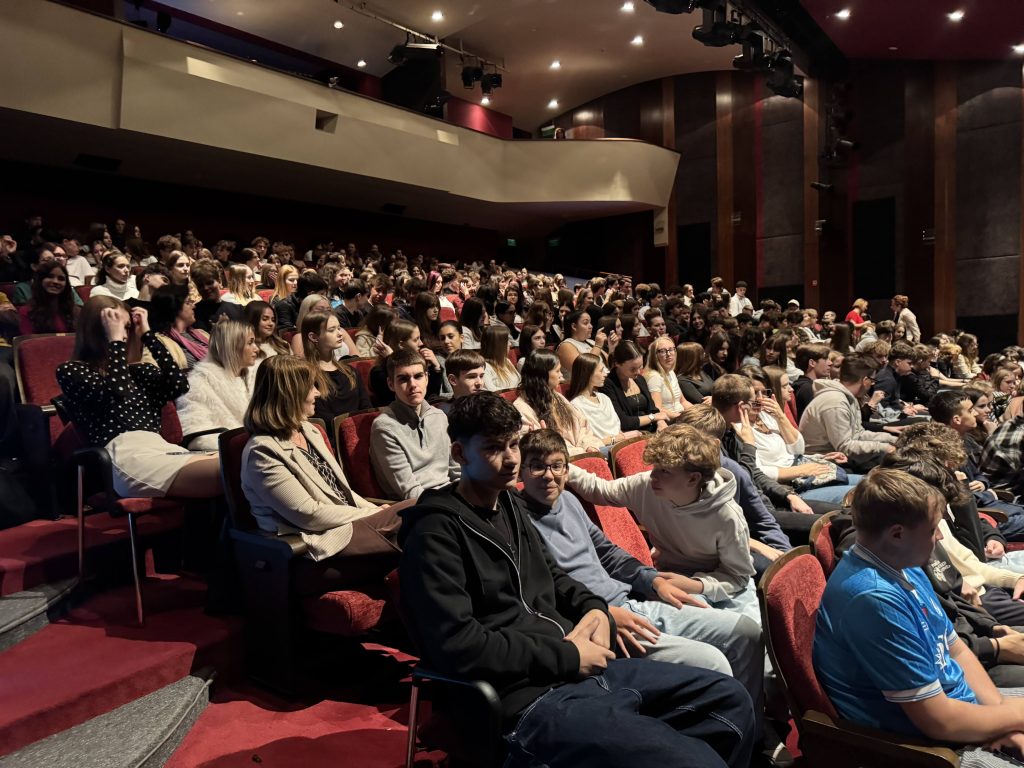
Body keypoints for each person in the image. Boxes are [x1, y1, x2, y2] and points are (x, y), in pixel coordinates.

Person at [397, 392, 756, 768]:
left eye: (513, 444)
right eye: (492, 448)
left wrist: (595, 608)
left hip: (580, 670)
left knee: (730, 699)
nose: (511, 459)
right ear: (459, 453)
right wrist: (566, 656)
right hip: (526, 700)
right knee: (694, 761)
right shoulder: (435, 533)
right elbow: (458, 645)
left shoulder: (508, 504)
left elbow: (554, 576)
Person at [519, 429, 766, 698]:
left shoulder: (567, 500)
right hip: (599, 620)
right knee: (713, 661)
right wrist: (603, 612)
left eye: (557, 466)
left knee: (747, 633)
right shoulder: (517, 520)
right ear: (520, 471)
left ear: (567, 470)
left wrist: (654, 580)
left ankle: (751, 721)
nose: (548, 475)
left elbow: (608, 553)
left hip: (634, 603)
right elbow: (542, 591)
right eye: (536, 466)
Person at [813, 468, 1024, 764]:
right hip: (930, 748)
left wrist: (1003, 717)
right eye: (932, 529)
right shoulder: (873, 599)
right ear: (897, 534)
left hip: (964, 714)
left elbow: (956, 651)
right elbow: (939, 722)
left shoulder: (905, 566)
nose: (940, 536)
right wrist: (1012, 717)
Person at [567, 423, 761, 624]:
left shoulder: (727, 515)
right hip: (671, 579)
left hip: (722, 584)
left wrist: (697, 585)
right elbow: (599, 489)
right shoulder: (646, 486)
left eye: (665, 471)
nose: (653, 475)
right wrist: (560, 464)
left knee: (747, 630)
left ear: (693, 479)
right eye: (655, 468)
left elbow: (738, 577)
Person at [242, 355, 402, 594]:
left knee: (424, 525)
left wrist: (376, 509)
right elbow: (308, 515)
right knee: (420, 515)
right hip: (315, 550)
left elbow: (343, 492)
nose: (318, 393)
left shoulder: (309, 430)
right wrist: (372, 514)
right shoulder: (263, 451)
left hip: (348, 529)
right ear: (290, 394)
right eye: (311, 387)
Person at [57, 296, 221, 499]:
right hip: (128, 458)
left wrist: (148, 335)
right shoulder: (71, 371)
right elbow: (118, 391)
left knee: (239, 459)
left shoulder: (138, 372)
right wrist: (115, 341)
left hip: (163, 449)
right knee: (232, 469)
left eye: (126, 328)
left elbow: (179, 385)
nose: (124, 334)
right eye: (116, 327)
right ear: (96, 329)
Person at [742, 367, 862, 507]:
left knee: (869, 482)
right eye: (754, 393)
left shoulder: (766, 415)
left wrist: (780, 417)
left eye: (764, 392)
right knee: (866, 494)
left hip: (803, 473)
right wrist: (801, 470)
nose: (760, 399)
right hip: (789, 487)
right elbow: (756, 471)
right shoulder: (740, 427)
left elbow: (797, 449)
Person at [370, 349, 460, 501]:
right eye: (403, 379)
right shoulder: (384, 427)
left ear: (427, 378)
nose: (413, 385)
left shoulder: (439, 416)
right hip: (418, 505)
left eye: (418, 376)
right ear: (391, 384)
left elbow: (456, 471)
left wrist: (468, 496)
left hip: (450, 496)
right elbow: (409, 491)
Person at [799, 353, 897, 471]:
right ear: (865, 380)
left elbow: (858, 434)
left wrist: (891, 440)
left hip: (838, 458)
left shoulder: (846, 397)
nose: (873, 384)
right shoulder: (835, 402)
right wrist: (885, 448)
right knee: (889, 463)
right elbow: (844, 446)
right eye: (872, 380)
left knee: (889, 458)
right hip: (822, 463)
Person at [175, 320, 259, 451]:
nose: (257, 348)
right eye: (250, 343)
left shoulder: (256, 376)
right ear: (232, 346)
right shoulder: (199, 382)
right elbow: (196, 434)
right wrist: (244, 446)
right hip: (232, 453)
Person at [514, 350, 603, 455]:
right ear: (543, 374)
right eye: (557, 371)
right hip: (560, 460)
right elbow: (543, 448)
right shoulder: (521, 408)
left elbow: (582, 425)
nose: (561, 375)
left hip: (582, 453)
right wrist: (580, 452)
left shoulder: (556, 396)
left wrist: (588, 445)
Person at [300, 310, 371, 425]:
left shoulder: (351, 372)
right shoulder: (306, 376)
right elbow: (321, 417)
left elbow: (366, 408)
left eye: (339, 328)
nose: (340, 334)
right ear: (313, 337)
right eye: (332, 330)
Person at [566, 353, 642, 449]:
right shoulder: (576, 406)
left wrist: (624, 438)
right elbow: (585, 441)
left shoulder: (604, 398)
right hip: (600, 449)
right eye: (601, 370)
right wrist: (617, 439)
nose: (606, 373)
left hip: (619, 443)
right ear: (588, 374)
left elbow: (617, 428)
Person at [369, 318, 445, 407]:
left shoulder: (418, 363)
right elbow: (396, 400)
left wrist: (436, 367)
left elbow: (432, 396)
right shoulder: (378, 372)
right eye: (416, 340)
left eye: (420, 338)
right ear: (401, 345)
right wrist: (392, 359)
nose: (421, 343)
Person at [601, 341, 669, 435]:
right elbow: (623, 422)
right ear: (617, 364)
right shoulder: (607, 384)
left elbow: (653, 409)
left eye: (640, 366)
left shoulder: (639, 379)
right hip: (631, 434)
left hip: (651, 430)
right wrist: (653, 417)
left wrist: (661, 423)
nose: (638, 372)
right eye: (632, 369)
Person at [146, 287, 208, 370]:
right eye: (188, 302)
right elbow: (151, 371)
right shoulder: (158, 342)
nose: (193, 306)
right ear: (174, 308)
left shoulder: (202, 333)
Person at [18, 261, 79, 335]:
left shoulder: (75, 311)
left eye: (61, 279)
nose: (56, 281)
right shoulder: (27, 312)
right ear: (40, 280)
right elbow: (29, 340)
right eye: (50, 276)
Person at [556, 309, 611, 383]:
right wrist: (598, 346)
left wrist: (612, 346)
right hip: (584, 387)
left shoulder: (591, 342)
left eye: (590, 323)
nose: (591, 326)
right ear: (574, 326)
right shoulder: (566, 345)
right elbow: (584, 370)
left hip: (604, 381)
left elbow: (609, 364)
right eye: (586, 323)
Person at [190, 258, 243, 331]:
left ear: (219, 281)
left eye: (209, 283)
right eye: (200, 285)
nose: (205, 288)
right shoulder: (193, 313)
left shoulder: (237, 309)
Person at [645, 335, 688, 419]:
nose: (668, 354)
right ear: (655, 355)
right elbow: (657, 409)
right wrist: (681, 418)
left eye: (671, 349)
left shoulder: (671, 372)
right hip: (670, 419)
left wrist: (697, 411)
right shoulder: (654, 377)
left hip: (681, 415)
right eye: (662, 351)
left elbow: (683, 402)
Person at [438, 349, 486, 414]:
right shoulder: (444, 412)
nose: (479, 383)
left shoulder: (490, 407)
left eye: (481, 376)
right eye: (471, 377)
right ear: (453, 380)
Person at [480, 324, 520, 391]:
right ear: (497, 344)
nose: (510, 344)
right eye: (507, 341)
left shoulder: (506, 360)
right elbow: (492, 392)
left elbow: (519, 382)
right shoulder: (484, 367)